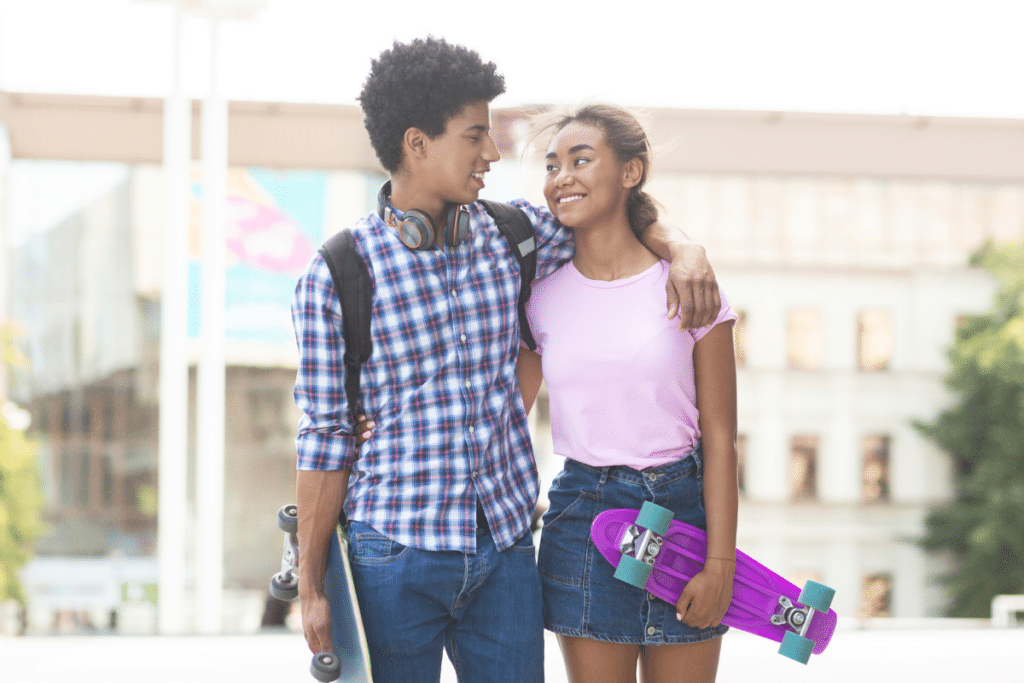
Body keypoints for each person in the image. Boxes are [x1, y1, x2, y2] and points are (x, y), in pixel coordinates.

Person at [291, 38, 720, 683]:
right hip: (392, 559)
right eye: (474, 136)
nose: (493, 152)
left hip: (507, 555)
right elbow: (322, 440)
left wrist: (684, 248)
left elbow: (614, 211)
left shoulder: (515, 235)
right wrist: (313, 582)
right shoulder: (338, 274)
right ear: (417, 144)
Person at [515, 104, 740, 683]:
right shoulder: (539, 297)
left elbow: (720, 438)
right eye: (551, 165)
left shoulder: (690, 284)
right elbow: (501, 415)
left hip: (685, 513)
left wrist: (720, 564)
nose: (561, 177)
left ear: (631, 172)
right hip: (582, 519)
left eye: (580, 159)